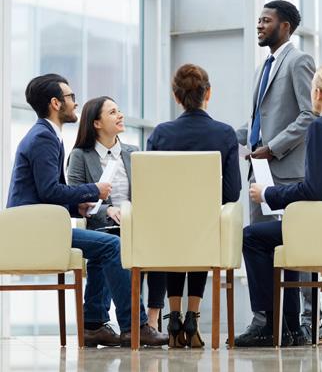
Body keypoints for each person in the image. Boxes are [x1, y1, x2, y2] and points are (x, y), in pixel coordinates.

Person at [6, 74, 168, 348]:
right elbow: (49, 192)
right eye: (70, 97)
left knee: (104, 246)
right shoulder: (45, 138)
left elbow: (49, 193)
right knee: (111, 246)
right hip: (36, 231)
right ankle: (135, 327)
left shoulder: (45, 135)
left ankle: (93, 325)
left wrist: (77, 205)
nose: (75, 102)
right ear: (56, 103)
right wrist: (94, 190)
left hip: (39, 226)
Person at [238, 63, 322, 347]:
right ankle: (291, 328)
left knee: (252, 237)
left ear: (317, 93)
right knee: (286, 238)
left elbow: (313, 189)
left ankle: (270, 324)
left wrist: (268, 194)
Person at [235, 0, 322, 345]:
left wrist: (273, 147)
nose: (259, 25)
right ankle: (269, 324)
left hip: (286, 171)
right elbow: (258, 121)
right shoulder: (265, 67)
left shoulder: (299, 61)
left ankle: (304, 323)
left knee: (294, 249)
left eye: (265, 20)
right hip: (260, 171)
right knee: (261, 249)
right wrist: (230, 137)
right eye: (258, 19)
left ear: (284, 26)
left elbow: (309, 114)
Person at [147, 63, 241, 347]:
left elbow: (151, 189)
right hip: (207, 229)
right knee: (201, 230)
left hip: (168, 230)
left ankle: (173, 317)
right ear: (207, 93)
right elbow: (232, 192)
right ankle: (192, 317)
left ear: (176, 97)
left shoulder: (161, 134)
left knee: (176, 238)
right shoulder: (224, 134)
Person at [67, 96, 167, 335]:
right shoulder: (81, 155)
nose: (120, 115)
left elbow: (148, 191)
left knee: (159, 240)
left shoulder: (133, 153)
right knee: (111, 245)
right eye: (112, 112)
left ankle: (146, 321)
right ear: (97, 123)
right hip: (104, 225)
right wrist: (106, 209)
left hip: (137, 222)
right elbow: (76, 197)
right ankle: (106, 323)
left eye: (119, 110)